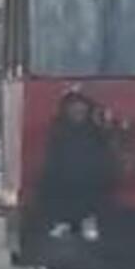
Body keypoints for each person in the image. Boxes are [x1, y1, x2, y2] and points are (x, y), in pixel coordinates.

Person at [35, 92, 117, 236]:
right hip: (64, 179)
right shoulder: (58, 131)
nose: (78, 113)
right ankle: (64, 223)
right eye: (74, 110)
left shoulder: (96, 132)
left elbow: (106, 153)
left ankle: (88, 223)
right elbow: (52, 155)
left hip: (90, 180)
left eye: (81, 110)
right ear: (66, 111)